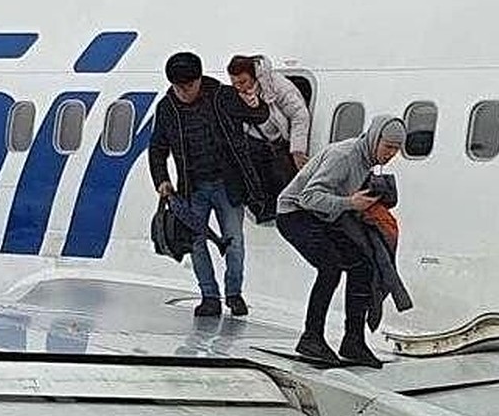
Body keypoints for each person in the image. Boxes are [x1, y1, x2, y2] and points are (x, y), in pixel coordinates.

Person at [276, 115, 408, 368]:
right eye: (388, 146)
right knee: (331, 268)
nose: (391, 154)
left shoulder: (366, 159)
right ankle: (311, 337)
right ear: (374, 138)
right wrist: (350, 203)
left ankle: (353, 341)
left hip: (324, 216)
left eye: (396, 149)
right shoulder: (345, 156)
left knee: (363, 265)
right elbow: (308, 197)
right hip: (294, 214)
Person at [148, 52, 269, 318]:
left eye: (188, 86)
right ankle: (209, 296)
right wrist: (162, 179)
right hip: (193, 187)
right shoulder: (167, 107)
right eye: (178, 87)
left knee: (234, 241)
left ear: (199, 79)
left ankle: (234, 294)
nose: (184, 92)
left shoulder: (222, 96)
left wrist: (253, 100)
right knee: (196, 243)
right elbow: (157, 147)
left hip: (228, 184)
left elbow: (259, 115)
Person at [227, 56, 312, 219]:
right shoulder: (234, 95)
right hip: (254, 143)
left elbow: (299, 115)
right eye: (235, 83)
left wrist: (297, 149)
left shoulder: (277, 85)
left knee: (283, 179)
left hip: (279, 143)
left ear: (254, 76)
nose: (239, 87)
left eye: (243, 82)